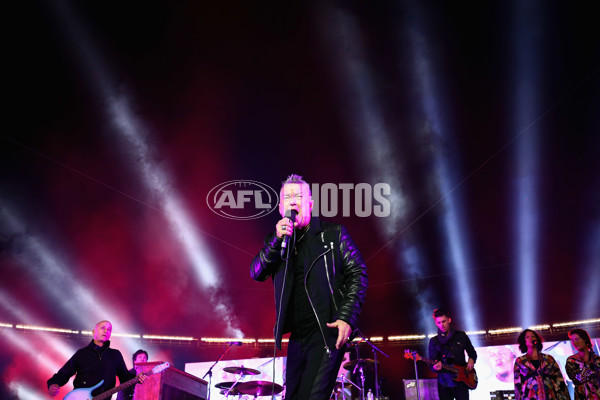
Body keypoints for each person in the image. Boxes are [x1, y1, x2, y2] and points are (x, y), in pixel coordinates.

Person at [250, 174, 368, 400]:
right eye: (287, 197)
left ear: (310, 204)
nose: (292, 201)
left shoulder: (334, 234)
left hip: (326, 332)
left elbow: (358, 273)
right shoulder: (278, 241)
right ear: (281, 207)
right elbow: (256, 272)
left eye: (298, 196)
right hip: (297, 337)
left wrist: (346, 317)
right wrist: (275, 241)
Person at [47, 321, 147, 397]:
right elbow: (64, 373)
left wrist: (138, 378)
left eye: (109, 330)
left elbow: (125, 377)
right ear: (94, 332)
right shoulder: (82, 353)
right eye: (102, 328)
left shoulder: (115, 354)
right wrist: (53, 383)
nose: (105, 331)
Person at [428, 308, 477, 400]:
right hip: (444, 383)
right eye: (439, 323)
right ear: (436, 323)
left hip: (462, 381)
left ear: (449, 320)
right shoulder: (434, 341)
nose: (442, 325)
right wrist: (435, 367)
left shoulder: (461, 336)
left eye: (444, 321)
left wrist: (471, 360)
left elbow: (472, 352)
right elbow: (431, 363)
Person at [513, 329, 570, 400]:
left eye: (533, 336)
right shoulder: (520, 361)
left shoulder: (548, 358)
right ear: (523, 341)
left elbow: (559, 378)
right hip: (529, 396)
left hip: (549, 394)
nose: (531, 338)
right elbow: (517, 384)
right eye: (527, 337)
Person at [565, 328, 600, 400]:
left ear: (585, 339)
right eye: (572, 340)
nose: (575, 342)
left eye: (577, 339)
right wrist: (594, 373)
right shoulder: (571, 360)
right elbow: (577, 379)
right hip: (582, 396)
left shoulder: (597, 359)